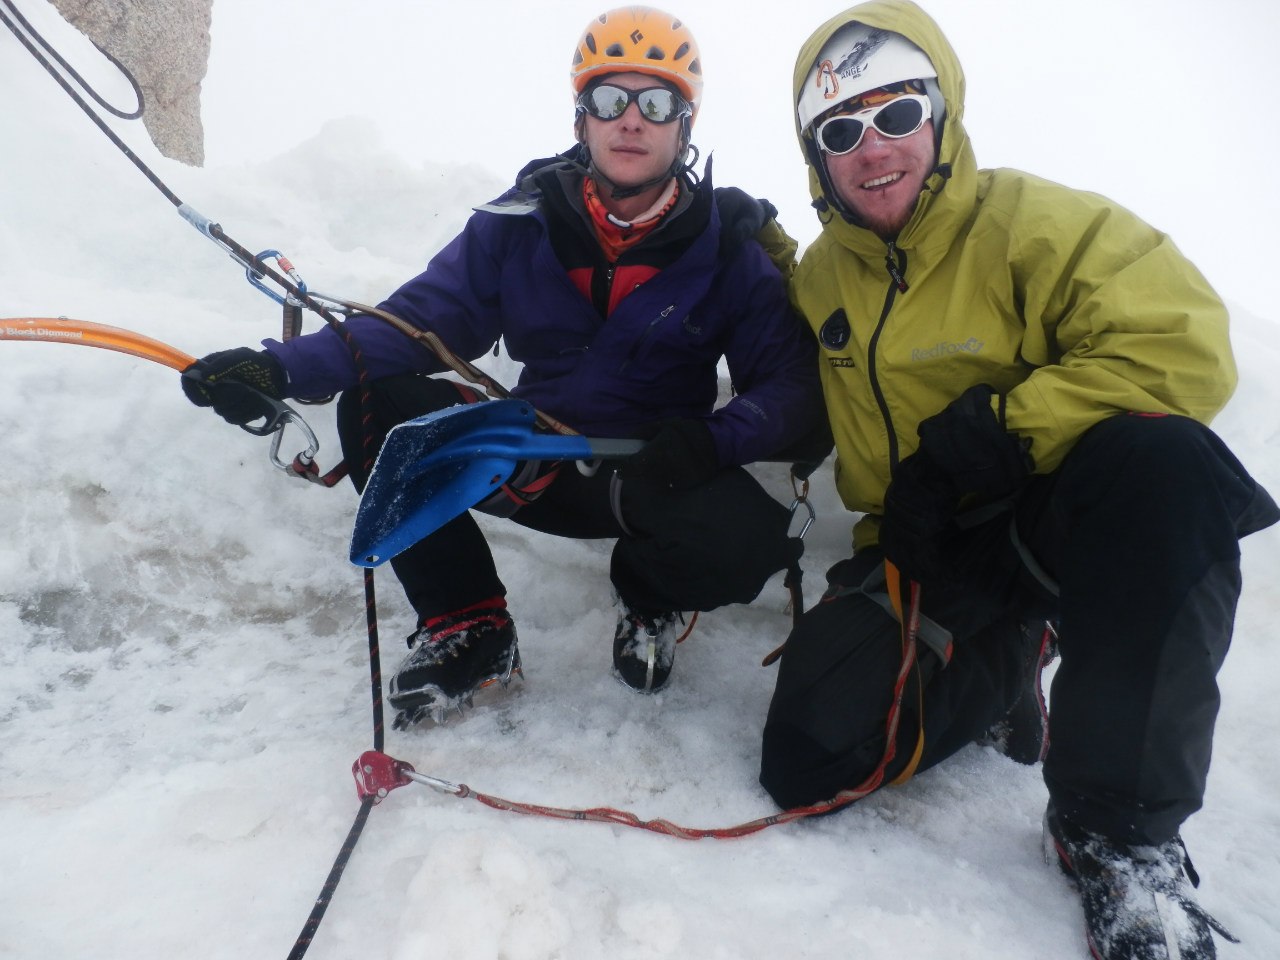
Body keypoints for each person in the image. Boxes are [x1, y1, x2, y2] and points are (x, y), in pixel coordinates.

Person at [760, 2, 1278, 958]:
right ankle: (1004, 660)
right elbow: (754, 322)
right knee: (812, 759)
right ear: (815, 159)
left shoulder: (1035, 225)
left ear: (941, 111)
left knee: (1167, 465)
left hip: (1051, 519)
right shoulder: (822, 279)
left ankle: (1117, 835)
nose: (873, 150)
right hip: (925, 551)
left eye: (896, 115)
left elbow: (1182, 349)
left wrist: (998, 430)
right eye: (840, 131)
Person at [180, 6, 826, 727]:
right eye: (610, 100)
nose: (631, 121)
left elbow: (791, 385)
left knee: (746, 542)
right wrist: (281, 370)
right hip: (532, 464)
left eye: (658, 101)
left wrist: (712, 441)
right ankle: (471, 625)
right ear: (581, 117)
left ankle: (648, 594)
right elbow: (415, 324)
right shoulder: (519, 223)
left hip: (651, 474)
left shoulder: (728, 251)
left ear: (686, 122)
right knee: (379, 397)